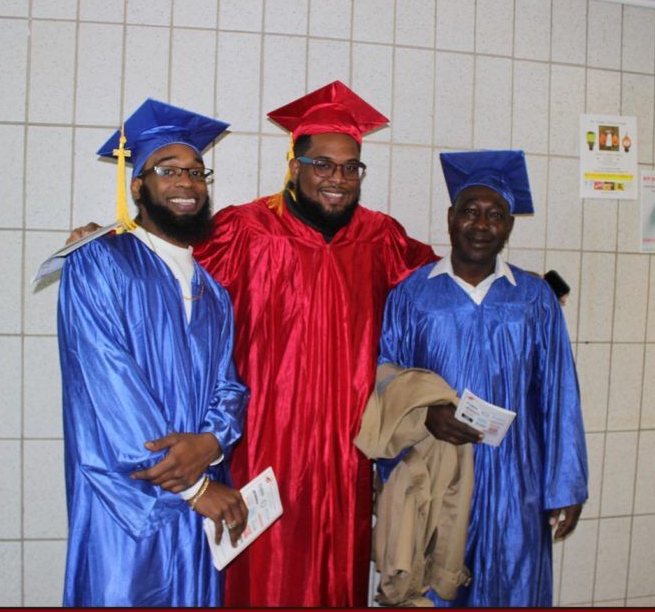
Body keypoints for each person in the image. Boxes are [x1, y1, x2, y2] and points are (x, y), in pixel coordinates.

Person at [195, 81, 438, 606]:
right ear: (294, 165)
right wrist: (116, 244)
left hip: (347, 447)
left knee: (337, 570)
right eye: (323, 164)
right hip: (266, 439)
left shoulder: (380, 237)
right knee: (265, 573)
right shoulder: (247, 230)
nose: (338, 179)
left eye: (351, 167)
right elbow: (173, 273)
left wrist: (524, 285)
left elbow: (444, 285)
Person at [57, 99, 250, 607]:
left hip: (200, 505)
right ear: (137, 187)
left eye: (196, 172)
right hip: (128, 504)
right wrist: (192, 487)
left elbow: (229, 386)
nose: (186, 182)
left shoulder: (213, 291)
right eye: (167, 170)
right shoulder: (99, 261)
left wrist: (212, 442)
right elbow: (108, 387)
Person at [376, 149, 588, 607]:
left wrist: (566, 485)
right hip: (438, 474)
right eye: (470, 211)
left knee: (513, 589)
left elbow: (560, 393)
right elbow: (385, 378)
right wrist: (423, 416)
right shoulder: (412, 295)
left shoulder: (534, 298)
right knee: (435, 589)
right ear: (451, 218)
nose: (481, 224)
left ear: (508, 226)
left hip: (518, 479)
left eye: (495, 215)